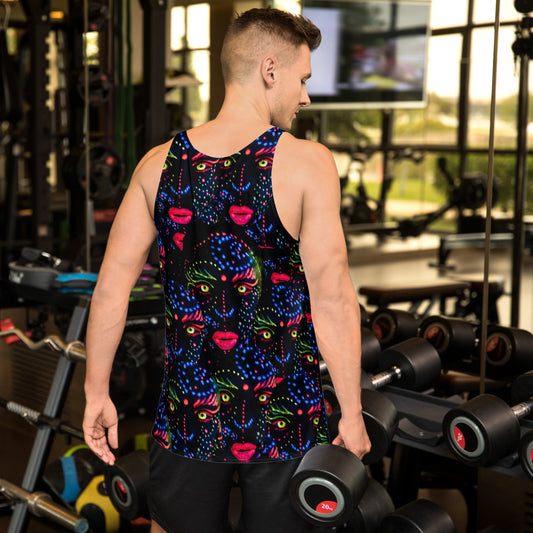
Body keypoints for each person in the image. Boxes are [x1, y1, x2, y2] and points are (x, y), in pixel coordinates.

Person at [83, 7, 371, 533]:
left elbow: (109, 291)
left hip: (188, 416)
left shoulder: (157, 164)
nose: (305, 97)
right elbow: (332, 300)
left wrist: (96, 393)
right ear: (270, 70)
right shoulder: (308, 164)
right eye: (303, 79)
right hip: (286, 419)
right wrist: (351, 415)